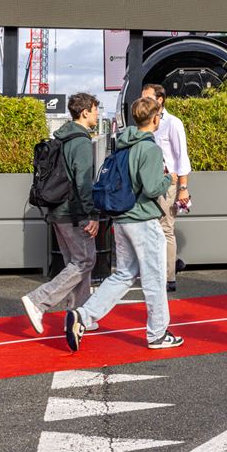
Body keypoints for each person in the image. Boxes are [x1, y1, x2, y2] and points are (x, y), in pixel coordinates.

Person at [66, 97, 182, 351]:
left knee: (123, 274)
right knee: (154, 278)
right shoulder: (150, 149)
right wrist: (169, 179)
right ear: (155, 119)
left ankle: (83, 315)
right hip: (143, 219)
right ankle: (157, 334)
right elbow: (152, 188)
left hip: (121, 218)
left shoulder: (123, 145)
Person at [21, 92, 101, 335]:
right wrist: (92, 214)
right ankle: (38, 301)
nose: (98, 114)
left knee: (75, 264)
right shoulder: (82, 142)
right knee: (85, 261)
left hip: (57, 209)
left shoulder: (63, 137)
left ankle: (79, 316)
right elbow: (83, 182)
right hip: (74, 212)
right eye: (95, 110)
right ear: (85, 112)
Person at [141, 84, 190, 291]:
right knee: (151, 228)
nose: (143, 101)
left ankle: (169, 277)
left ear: (160, 99)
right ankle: (159, 271)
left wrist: (183, 187)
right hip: (149, 183)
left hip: (168, 183)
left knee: (165, 228)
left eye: (147, 97)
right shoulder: (146, 123)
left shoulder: (173, 123)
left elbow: (182, 157)